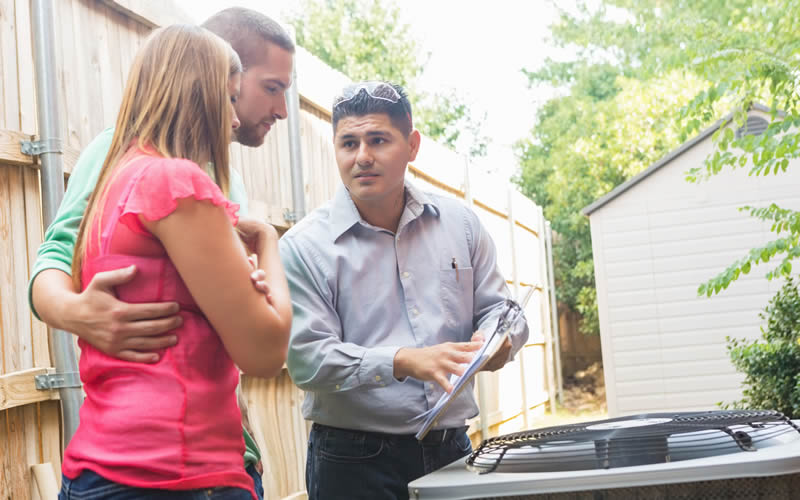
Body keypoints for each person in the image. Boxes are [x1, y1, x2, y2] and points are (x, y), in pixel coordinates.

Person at [28, 8, 295, 497]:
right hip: (176, 467)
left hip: (112, 458)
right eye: (266, 89)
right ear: (206, 82)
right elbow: (265, 350)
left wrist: (240, 281)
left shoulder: (136, 173)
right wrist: (269, 247)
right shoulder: (167, 175)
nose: (240, 116)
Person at [280, 81, 530, 499]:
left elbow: (501, 309)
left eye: (378, 140)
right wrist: (402, 361)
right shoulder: (304, 246)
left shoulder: (461, 224)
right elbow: (307, 359)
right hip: (352, 461)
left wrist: (500, 339)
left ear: (412, 145)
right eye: (348, 143)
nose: (362, 157)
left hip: (454, 448)